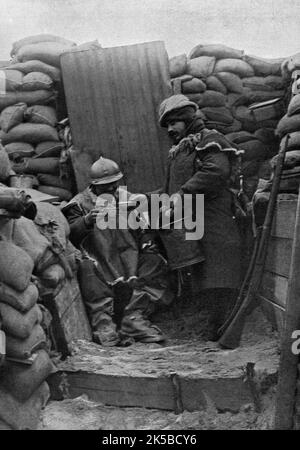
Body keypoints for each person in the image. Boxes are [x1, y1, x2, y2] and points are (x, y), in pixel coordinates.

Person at [150, 94, 243, 340]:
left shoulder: (209, 139)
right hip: (196, 220)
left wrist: (182, 193)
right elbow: (171, 188)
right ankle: (215, 327)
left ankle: (227, 330)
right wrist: (144, 199)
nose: (170, 129)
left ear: (188, 119)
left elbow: (216, 170)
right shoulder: (181, 150)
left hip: (215, 219)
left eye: (174, 123)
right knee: (206, 276)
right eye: (167, 125)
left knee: (221, 274)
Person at [62, 156, 171, 346]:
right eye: (106, 186)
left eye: (114, 183)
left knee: (155, 262)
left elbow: (142, 225)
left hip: (129, 257)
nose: (112, 188)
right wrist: (86, 221)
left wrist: (146, 241)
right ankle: (103, 324)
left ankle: (133, 318)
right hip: (99, 257)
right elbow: (69, 234)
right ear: (94, 185)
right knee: (88, 270)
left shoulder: (127, 198)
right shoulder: (79, 204)